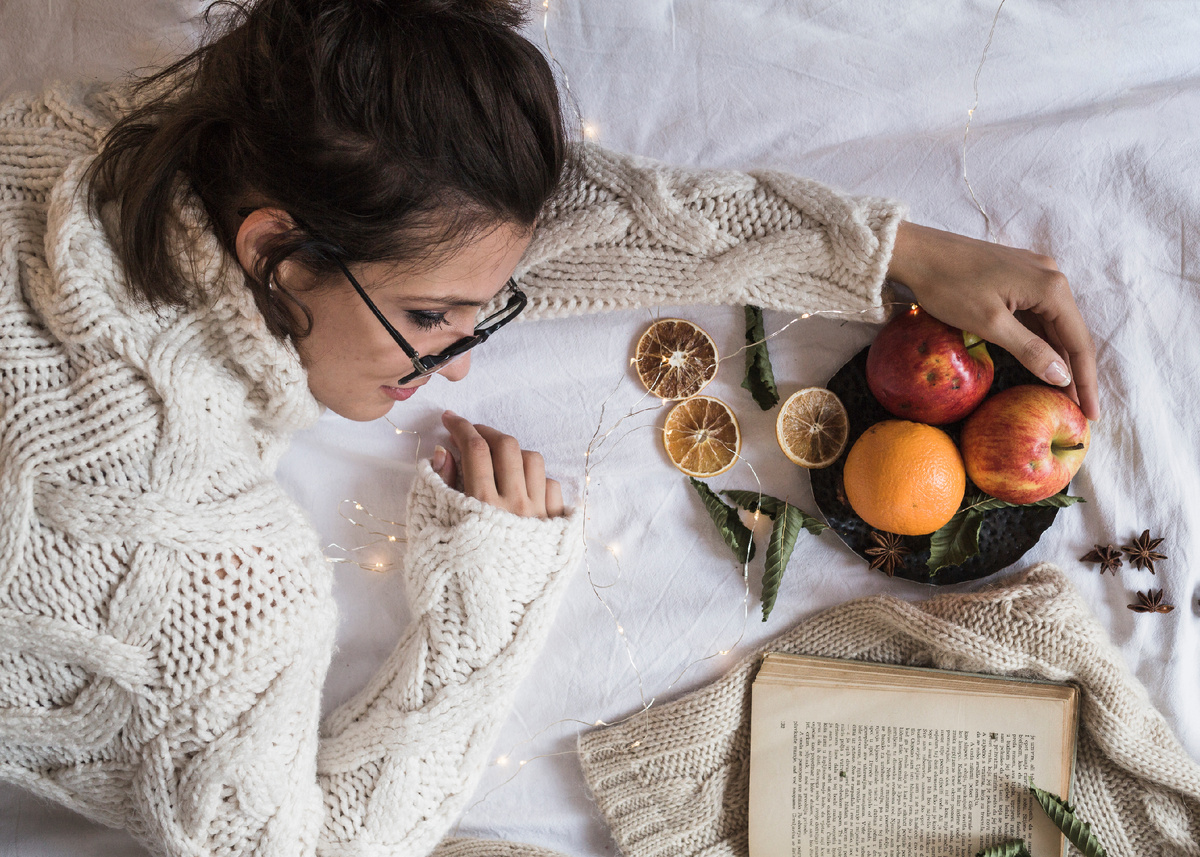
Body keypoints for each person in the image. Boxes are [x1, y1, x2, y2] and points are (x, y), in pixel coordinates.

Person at [0, 0, 1099, 855]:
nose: (461, 362)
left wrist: (894, 249)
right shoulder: (214, 579)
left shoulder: (83, 141)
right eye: (431, 321)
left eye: (480, 309)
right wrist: (488, 592)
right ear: (273, 250)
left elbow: (472, 217)